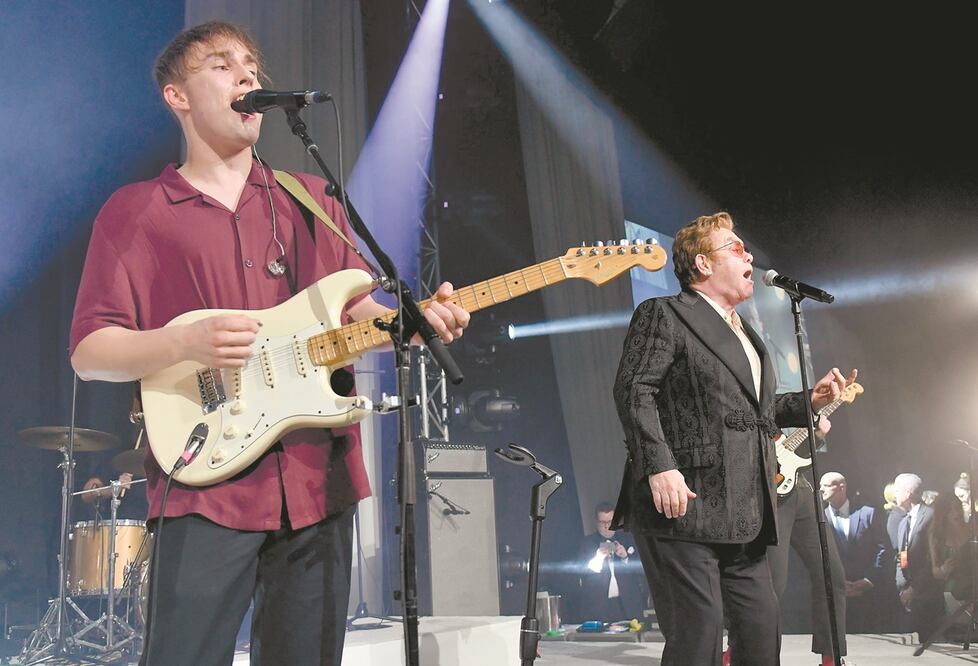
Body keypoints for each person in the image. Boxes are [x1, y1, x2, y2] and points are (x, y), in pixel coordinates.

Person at [68, 21, 470, 666]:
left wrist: (419, 319)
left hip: (318, 477)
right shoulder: (138, 210)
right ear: (178, 96)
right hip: (204, 479)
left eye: (252, 65)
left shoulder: (309, 198)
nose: (249, 76)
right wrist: (181, 342)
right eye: (223, 65)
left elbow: (354, 310)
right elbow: (90, 352)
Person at [612, 211, 856, 666]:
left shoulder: (748, 335)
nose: (748, 255)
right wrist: (659, 465)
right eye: (736, 248)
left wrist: (811, 400)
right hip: (686, 505)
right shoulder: (664, 313)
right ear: (703, 264)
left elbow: (753, 413)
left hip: (746, 507)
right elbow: (633, 390)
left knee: (762, 632)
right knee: (698, 636)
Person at [764, 421, 848, 666]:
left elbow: (794, 450)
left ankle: (831, 658)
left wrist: (818, 436)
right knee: (771, 586)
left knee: (832, 575)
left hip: (802, 490)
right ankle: (745, 652)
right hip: (771, 495)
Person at [819, 471, 890, 634]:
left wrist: (868, 580)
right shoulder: (818, 517)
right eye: (820, 485)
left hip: (867, 595)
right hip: (833, 594)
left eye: (826, 485)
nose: (821, 489)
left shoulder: (867, 513)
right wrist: (836, 582)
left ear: (841, 487)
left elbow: (882, 548)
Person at [893, 473, 944, 642]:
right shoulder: (902, 522)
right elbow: (901, 557)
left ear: (908, 493)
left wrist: (913, 589)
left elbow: (931, 559)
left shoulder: (931, 516)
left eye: (897, 490)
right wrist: (902, 588)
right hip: (907, 597)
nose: (894, 494)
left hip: (927, 596)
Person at [578, 502, 647, 623]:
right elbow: (580, 573)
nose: (607, 526)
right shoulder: (587, 543)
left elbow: (643, 569)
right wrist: (597, 559)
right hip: (599, 605)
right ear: (596, 522)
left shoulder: (629, 539)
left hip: (627, 604)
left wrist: (625, 557)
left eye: (610, 521)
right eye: (602, 522)